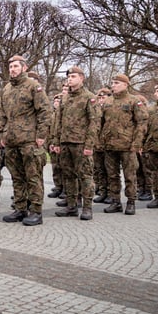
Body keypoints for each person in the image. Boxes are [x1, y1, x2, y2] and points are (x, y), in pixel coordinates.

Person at [0, 55, 51, 226]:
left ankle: (36, 211)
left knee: (33, 177)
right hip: (12, 141)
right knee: (17, 177)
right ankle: (20, 208)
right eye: (10, 66)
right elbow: (3, 115)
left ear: (24, 68)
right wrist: (2, 135)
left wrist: (41, 135)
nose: (12, 69)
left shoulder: (33, 86)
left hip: (29, 140)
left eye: (15, 66)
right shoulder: (6, 89)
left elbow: (45, 111)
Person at [51, 66, 100, 221]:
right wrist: (56, 141)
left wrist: (89, 145)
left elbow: (94, 122)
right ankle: (71, 205)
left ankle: (87, 207)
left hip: (81, 143)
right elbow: (58, 120)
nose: (70, 79)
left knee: (85, 176)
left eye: (73, 76)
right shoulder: (65, 98)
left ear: (81, 78)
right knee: (68, 175)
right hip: (65, 142)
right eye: (69, 77)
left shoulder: (89, 97)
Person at [100, 74, 148, 216]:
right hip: (110, 145)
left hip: (128, 145)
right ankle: (115, 201)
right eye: (112, 83)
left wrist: (137, 143)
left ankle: (131, 202)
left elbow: (142, 123)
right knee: (112, 175)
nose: (113, 85)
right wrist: (101, 140)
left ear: (125, 84)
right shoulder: (107, 102)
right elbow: (101, 122)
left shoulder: (134, 101)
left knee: (130, 175)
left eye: (116, 83)